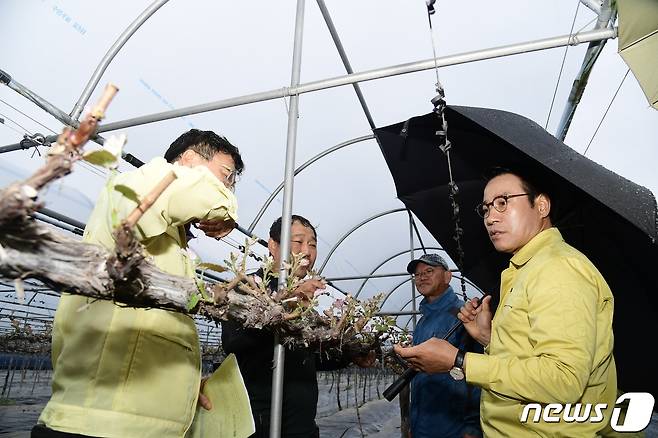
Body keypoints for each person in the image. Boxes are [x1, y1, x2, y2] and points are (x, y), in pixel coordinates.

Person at [33, 129, 245, 438]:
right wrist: (226, 207)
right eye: (226, 175)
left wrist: (183, 386)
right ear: (187, 161)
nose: (228, 187)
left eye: (231, 183)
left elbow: (151, 334)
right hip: (102, 426)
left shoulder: (173, 242)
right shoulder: (137, 185)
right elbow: (199, 193)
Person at [395, 168, 617, 437]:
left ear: (541, 205)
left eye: (503, 202)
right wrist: (488, 338)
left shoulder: (558, 269)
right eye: (486, 208)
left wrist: (459, 360)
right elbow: (527, 357)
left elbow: (564, 380)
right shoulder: (524, 271)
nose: (490, 218)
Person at [222, 215, 373, 438]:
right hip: (258, 425)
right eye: (298, 241)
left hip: (302, 427)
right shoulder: (248, 287)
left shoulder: (304, 303)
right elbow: (234, 342)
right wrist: (283, 307)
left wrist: (351, 356)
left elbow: (308, 358)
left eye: (312, 244)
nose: (307, 250)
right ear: (273, 245)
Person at [406, 253, 482, 438]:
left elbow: (480, 371)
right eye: (417, 274)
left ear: (448, 276)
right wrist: (412, 424)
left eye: (429, 271)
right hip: (422, 426)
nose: (421, 277)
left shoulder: (464, 315)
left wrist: (472, 427)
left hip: (452, 427)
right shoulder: (422, 323)